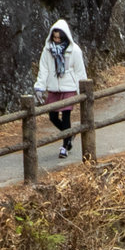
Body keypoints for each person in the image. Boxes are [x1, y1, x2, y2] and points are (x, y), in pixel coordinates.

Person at [34, 20, 87, 159]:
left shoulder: (74, 50)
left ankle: (65, 146)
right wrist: (40, 86)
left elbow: (80, 71)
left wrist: (82, 89)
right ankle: (69, 134)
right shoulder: (47, 50)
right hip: (53, 87)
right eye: (55, 37)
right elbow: (44, 69)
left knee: (66, 115)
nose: (57, 40)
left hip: (69, 86)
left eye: (59, 38)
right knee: (52, 116)